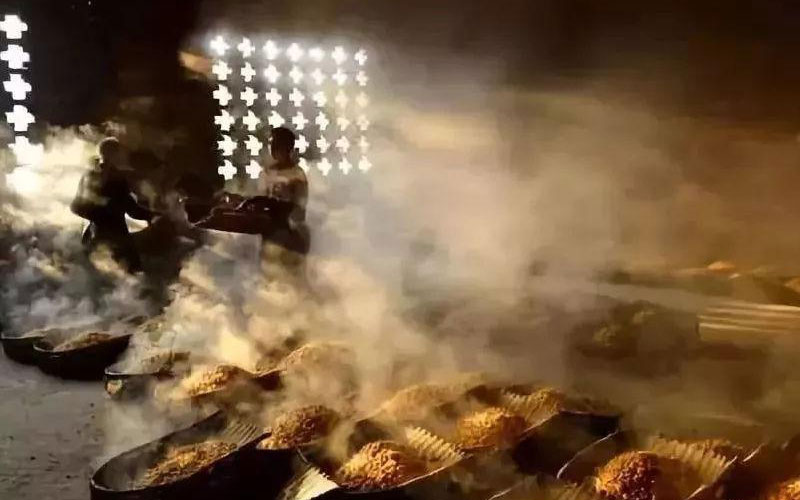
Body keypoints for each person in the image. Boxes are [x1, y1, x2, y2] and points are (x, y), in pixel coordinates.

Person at [71, 137, 152, 273]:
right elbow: (132, 210)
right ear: (114, 155)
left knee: (96, 277)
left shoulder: (89, 175)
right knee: (131, 273)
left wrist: (96, 214)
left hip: (94, 236)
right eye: (119, 153)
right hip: (117, 238)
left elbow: (76, 206)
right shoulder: (116, 178)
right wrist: (153, 215)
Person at [241, 127, 310, 255]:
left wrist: (282, 211)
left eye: (276, 144)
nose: (272, 148)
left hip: (288, 235)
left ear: (287, 147)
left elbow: (300, 208)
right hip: (267, 232)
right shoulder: (267, 172)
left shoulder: (297, 174)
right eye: (270, 144)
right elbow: (261, 197)